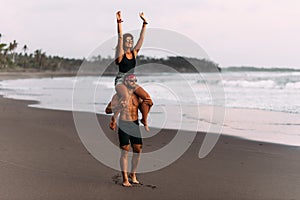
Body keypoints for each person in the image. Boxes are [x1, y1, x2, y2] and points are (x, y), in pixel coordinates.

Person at [106, 10, 153, 131]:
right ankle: (114, 118)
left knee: (148, 99)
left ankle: (144, 119)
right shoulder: (121, 55)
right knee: (126, 96)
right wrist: (119, 22)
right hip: (121, 80)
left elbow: (141, 39)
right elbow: (120, 37)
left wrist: (144, 23)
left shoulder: (134, 53)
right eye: (128, 41)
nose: (130, 42)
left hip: (131, 80)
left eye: (131, 41)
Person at [116, 74, 143, 187]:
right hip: (124, 124)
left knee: (138, 150)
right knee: (125, 151)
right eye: (131, 81)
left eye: (135, 80)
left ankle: (133, 174)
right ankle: (125, 178)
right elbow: (108, 109)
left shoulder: (138, 96)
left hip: (135, 124)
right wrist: (119, 106)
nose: (134, 82)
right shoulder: (119, 95)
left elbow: (145, 107)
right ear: (125, 82)